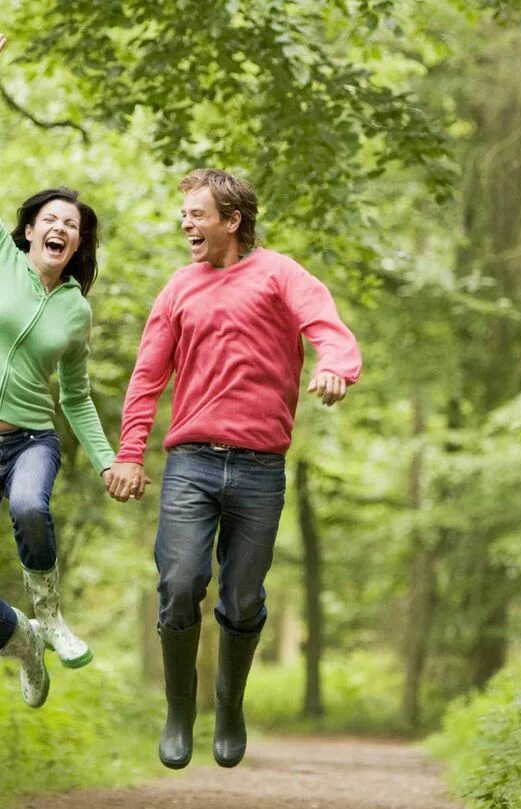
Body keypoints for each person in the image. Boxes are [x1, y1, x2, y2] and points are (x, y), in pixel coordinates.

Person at [108, 168, 361, 768]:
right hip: (191, 463)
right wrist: (129, 452)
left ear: (232, 220)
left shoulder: (280, 274)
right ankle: (179, 711)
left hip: (260, 468)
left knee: (243, 598)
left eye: (197, 214)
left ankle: (229, 703)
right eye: (185, 215)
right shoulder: (178, 287)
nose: (186, 223)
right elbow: (148, 377)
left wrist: (335, 367)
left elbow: (329, 329)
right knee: (179, 583)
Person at [0, 35, 130, 709]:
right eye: (50, 219)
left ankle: (49, 612)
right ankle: (24, 641)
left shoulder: (75, 311)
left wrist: (108, 459)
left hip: (29, 439)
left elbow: (75, 399)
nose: (60, 229)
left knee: (30, 504)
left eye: (72, 227)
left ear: (77, 244)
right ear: (27, 232)